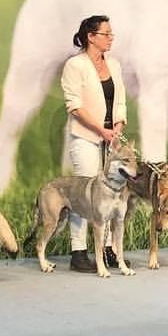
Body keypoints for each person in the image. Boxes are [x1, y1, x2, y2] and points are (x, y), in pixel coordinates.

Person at [61, 15, 128, 272]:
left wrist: (118, 126)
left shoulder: (115, 64)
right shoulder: (75, 65)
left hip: (112, 140)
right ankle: (78, 251)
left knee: (111, 193)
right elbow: (74, 105)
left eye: (112, 34)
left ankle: (109, 249)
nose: (111, 38)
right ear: (91, 36)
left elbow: (120, 99)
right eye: (106, 33)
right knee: (84, 193)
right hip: (86, 137)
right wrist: (100, 129)